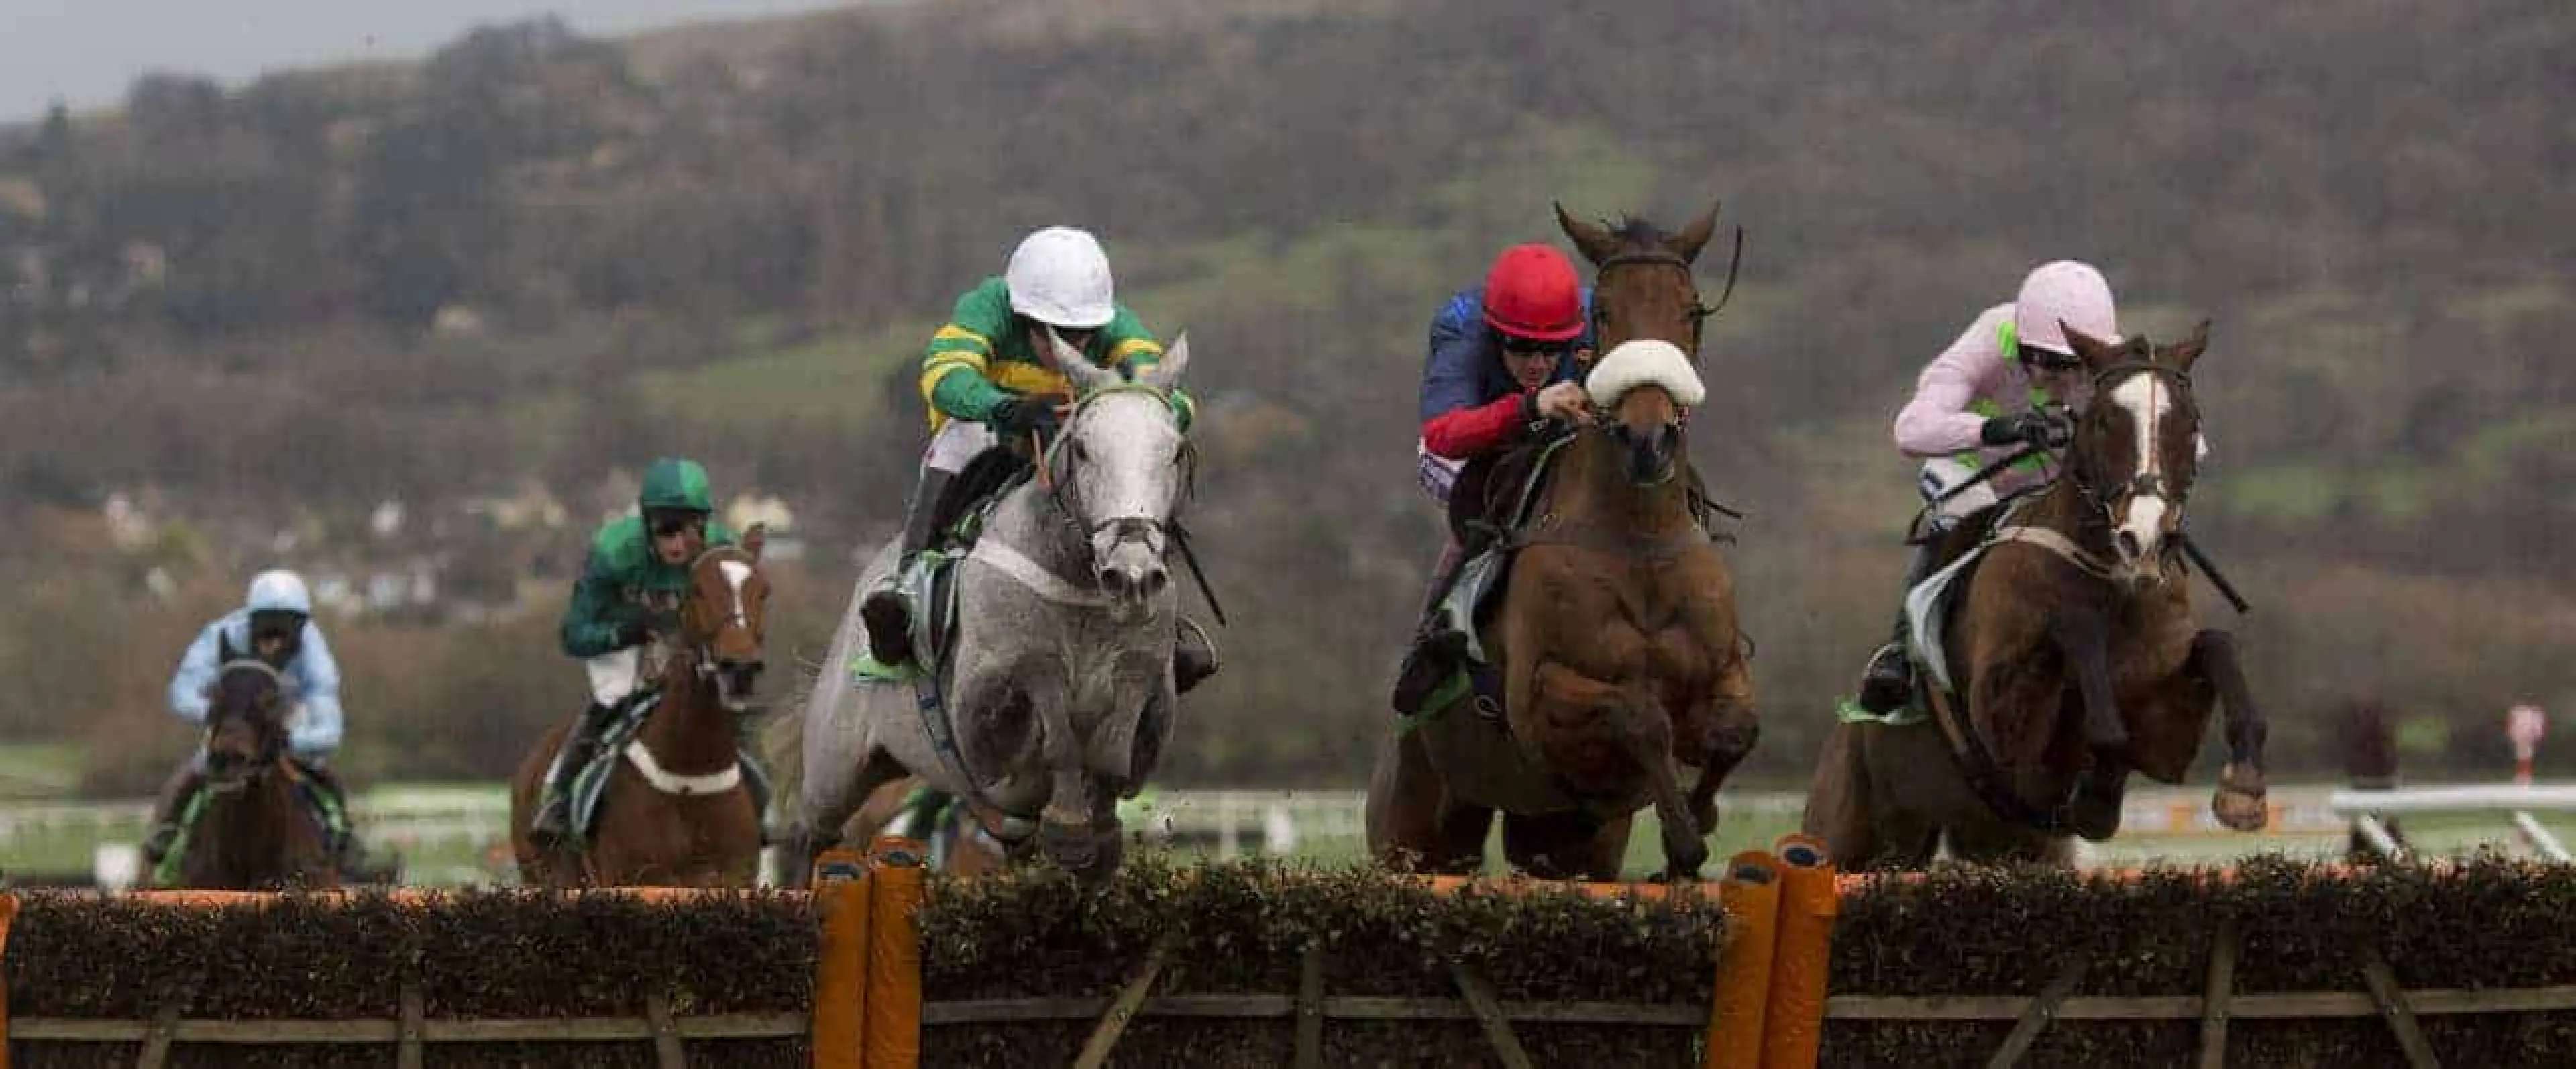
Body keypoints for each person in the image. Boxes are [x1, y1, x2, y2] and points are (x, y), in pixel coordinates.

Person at [856, 225, 1216, 692]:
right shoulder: (988, 307)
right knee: (960, 436)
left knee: (1134, 453)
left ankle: (1163, 624)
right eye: (1059, 334)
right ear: (1024, 315)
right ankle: (904, 591)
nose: (1074, 346)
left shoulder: (1116, 324)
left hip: (1071, 452)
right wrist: (1009, 408)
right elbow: (943, 376)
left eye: (1085, 334)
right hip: (993, 439)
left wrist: (1152, 416)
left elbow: (1166, 396)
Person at [1851, 260, 2118, 714]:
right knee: (1967, 513)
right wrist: (1996, 429)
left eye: (2075, 365)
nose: (2064, 380)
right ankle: (1901, 652)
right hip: (1970, 472)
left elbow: (2185, 442)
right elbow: (1910, 430)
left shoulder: (2109, 359)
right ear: (2024, 346)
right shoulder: (1991, 337)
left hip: (2049, 491)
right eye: (2051, 365)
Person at [1387, 243, 1598, 717]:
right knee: (1491, 500)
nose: (1538, 364)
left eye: (1553, 349)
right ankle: (1435, 634)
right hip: (1468, 447)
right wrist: (1529, 405)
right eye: (1521, 348)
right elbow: (1443, 433)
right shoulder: (1462, 328)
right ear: (1495, 333)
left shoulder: (1596, 315)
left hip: (1556, 433)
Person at [527, 456, 738, 847]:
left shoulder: (723, 549)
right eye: (665, 530)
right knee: (616, 693)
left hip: (688, 644)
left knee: (723, 695)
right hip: (624, 642)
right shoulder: (614, 550)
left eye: (689, 529)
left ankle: (762, 804)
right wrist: (628, 631)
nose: (678, 544)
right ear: (646, 524)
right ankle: (559, 796)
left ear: (705, 525)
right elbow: (574, 635)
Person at [144, 568, 358, 866]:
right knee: (200, 766)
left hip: (287, 724)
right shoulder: (221, 635)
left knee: (324, 776)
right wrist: (217, 714)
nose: (276, 638)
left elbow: (330, 728)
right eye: (269, 623)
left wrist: (291, 741)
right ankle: (169, 831)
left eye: (286, 625)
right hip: (232, 724)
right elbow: (182, 692)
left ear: (302, 625)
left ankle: (344, 837)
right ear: (251, 618)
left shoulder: (314, 651)